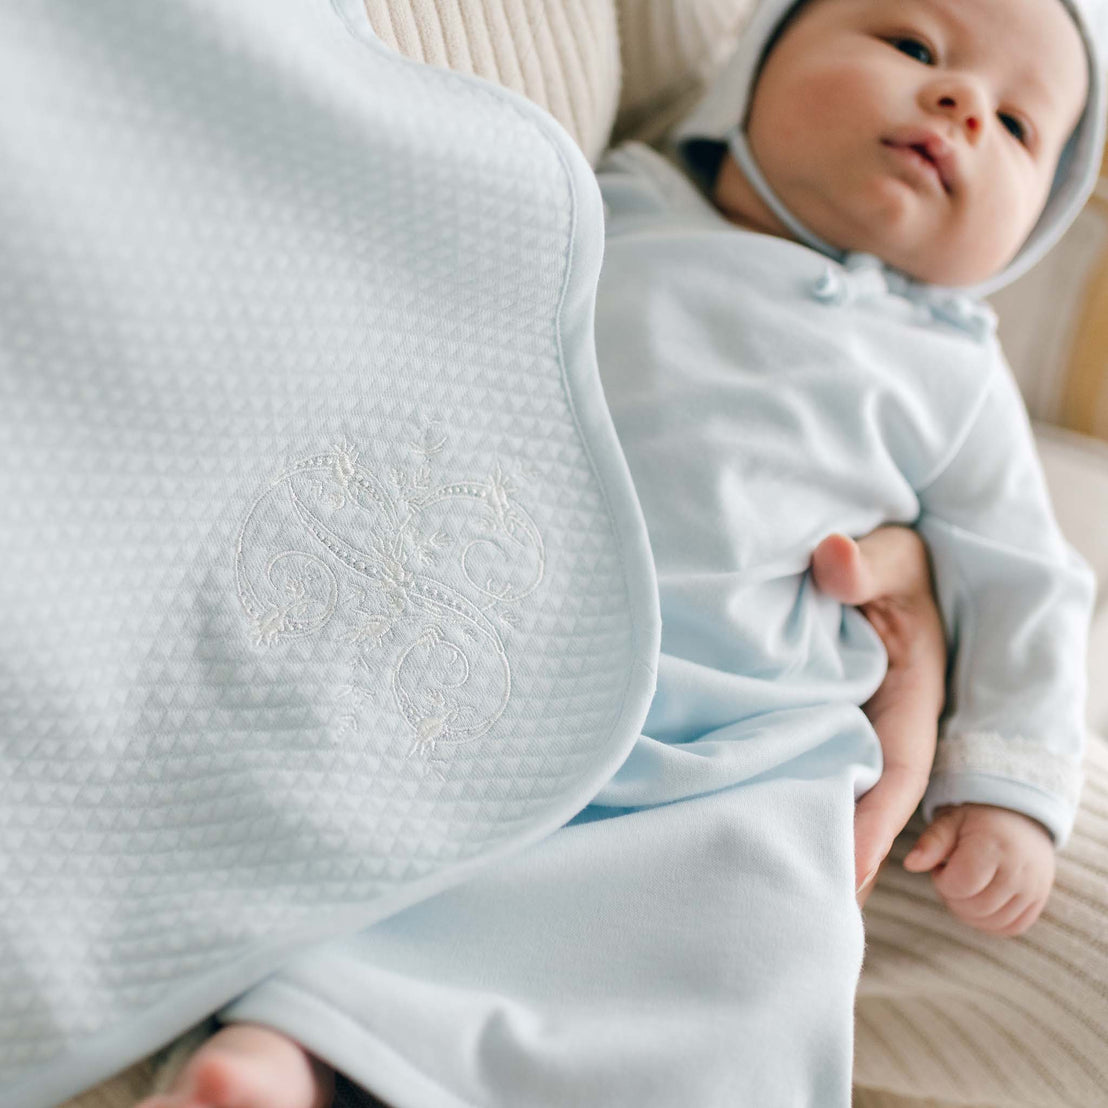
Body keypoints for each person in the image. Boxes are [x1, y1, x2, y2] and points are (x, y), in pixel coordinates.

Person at [138, 0, 1104, 1104]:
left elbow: (1029, 583)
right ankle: (287, 1053)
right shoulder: (607, 205)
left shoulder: (951, 375)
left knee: (762, 947)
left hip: (744, 739)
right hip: (505, 640)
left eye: (1021, 127)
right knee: (375, 842)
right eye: (914, 47)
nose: (961, 105)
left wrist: (1012, 793)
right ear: (753, 69)